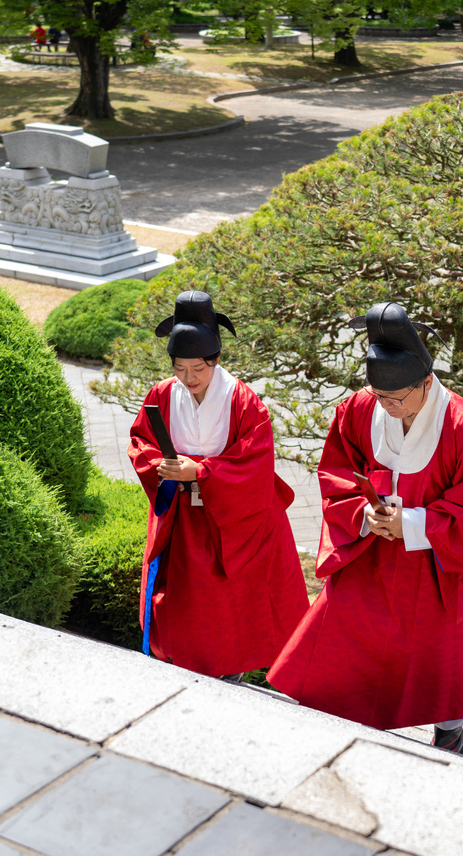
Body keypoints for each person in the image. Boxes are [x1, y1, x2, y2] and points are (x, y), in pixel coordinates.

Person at [268, 303, 463, 765]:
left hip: (445, 564)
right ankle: (353, 726)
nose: (389, 407)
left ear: (425, 382)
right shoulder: (359, 408)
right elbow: (337, 472)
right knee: (346, 647)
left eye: (397, 398)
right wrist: (363, 512)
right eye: (380, 397)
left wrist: (415, 524)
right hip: (375, 554)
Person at [128, 291, 309, 680]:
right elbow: (140, 441)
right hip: (181, 517)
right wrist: (158, 464)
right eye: (180, 368)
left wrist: (202, 472)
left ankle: (230, 672)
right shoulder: (162, 394)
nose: (188, 379)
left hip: (230, 521)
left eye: (198, 369)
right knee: (184, 603)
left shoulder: (244, 402)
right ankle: (183, 663)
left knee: (228, 605)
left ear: (216, 360)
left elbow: (254, 464)